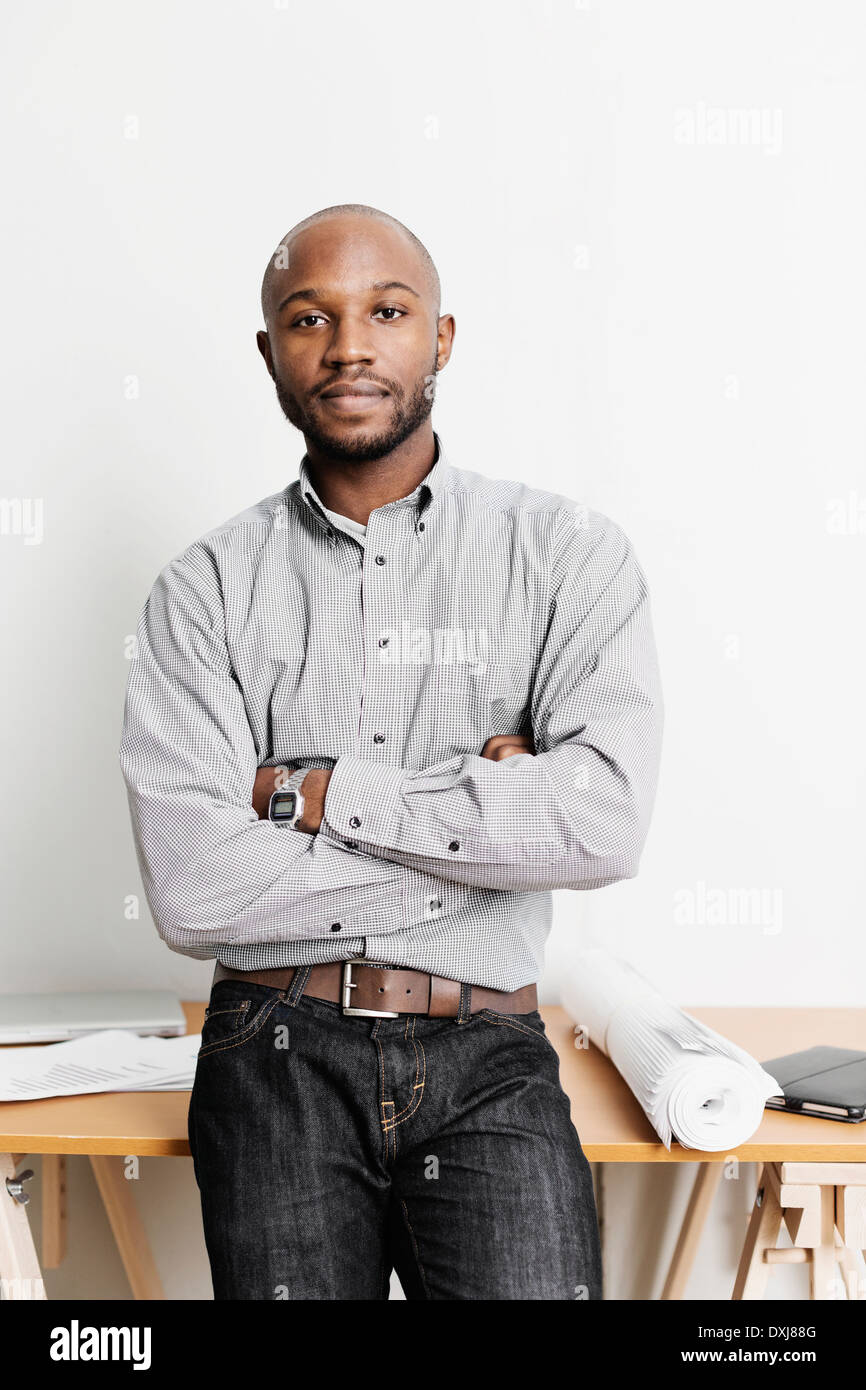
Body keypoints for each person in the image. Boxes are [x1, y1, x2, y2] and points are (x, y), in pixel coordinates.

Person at [119, 203, 664, 1300]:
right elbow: (193, 891)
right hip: (271, 1047)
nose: (350, 345)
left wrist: (318, 795)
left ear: (442, 339)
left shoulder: (563, 555)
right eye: (309, 317)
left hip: (488, 1051)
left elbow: (601, 821)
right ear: (271, 351)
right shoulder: (201, 591)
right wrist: (484, 826)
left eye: (387, 310)